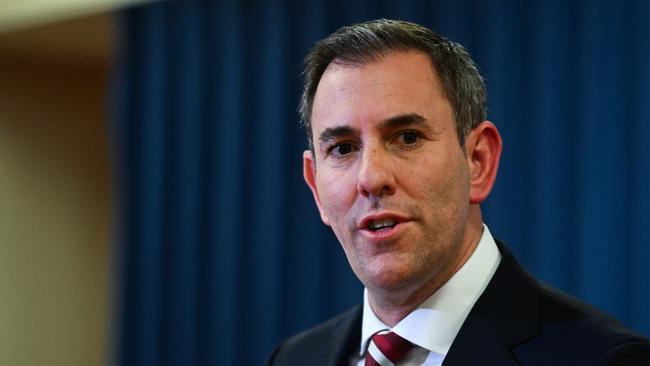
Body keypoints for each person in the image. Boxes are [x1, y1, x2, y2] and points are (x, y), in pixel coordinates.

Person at [267, 19, 650, 365]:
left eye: (407, 138)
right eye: (344, 148)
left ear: (478, 161)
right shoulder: (293, 358)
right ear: (315, 187)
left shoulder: (605, 359)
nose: (371, 177)